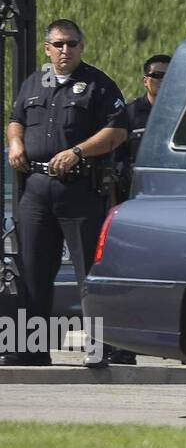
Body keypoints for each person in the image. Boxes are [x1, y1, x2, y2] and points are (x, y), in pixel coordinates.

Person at [3, 20, 128, 368]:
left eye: (72, 44)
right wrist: (15, 142)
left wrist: (78, 151)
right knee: (32, 270)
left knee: (89, 271)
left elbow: (117, 132)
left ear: (81, 47)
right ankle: (30, 349)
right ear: (47, 48)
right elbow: (16, 119)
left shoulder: (98, 85)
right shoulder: (34, 82)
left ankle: (100, 346)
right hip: (37, 188)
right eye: (58, 44)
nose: (65, 51)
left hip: (80, 188)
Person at [114, 53, 170, 200]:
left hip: (174, 190)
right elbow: (115, 154)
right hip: (137, 192)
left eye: (168, 75)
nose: (162, 80)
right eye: (157, 75)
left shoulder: (185, 114)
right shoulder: (129, 113)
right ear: (145, 81)